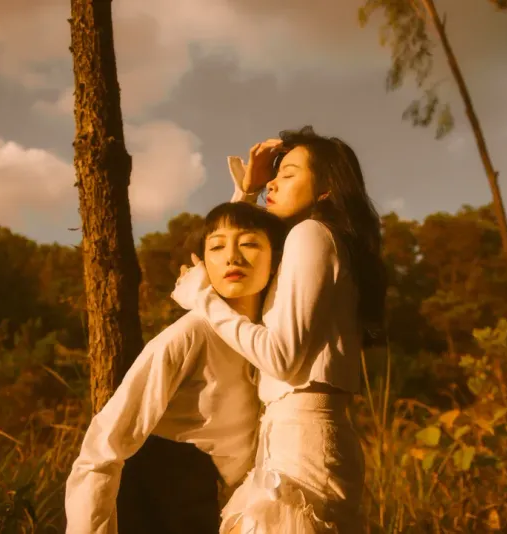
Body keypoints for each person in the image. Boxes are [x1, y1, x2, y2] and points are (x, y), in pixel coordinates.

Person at [173, 126, 387, 533]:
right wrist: (248, 191)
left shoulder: (312, 234)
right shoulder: (313, 241)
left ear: (326, 189)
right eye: (275, 175)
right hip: (292, 436)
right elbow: (231, 264)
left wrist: (202, 297)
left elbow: (281, 357)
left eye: (288, 174)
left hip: (303, 438)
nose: (273, 182)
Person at [65, 201, 288, 534]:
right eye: (217, 247)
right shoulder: (191, 333)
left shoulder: (268, 340)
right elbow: (104, 442)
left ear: (276, 262)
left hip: (216, 502)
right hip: (159, 496)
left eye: (248, 243)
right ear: (202, 266)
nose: (232, 257)